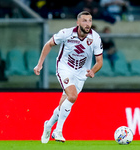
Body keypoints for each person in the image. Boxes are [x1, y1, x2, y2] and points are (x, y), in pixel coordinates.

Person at [34, 11, 103, 143]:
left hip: (81, 73)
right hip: (64, 68)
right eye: (84, 20)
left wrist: (93, 71)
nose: (88, 24)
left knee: (64, 103)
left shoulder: (95, 38)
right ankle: (58, 131)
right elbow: (48, 44)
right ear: (78, 22)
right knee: (72, 96)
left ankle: (48, 125)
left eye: (90, 21)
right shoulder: (66, 33)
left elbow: (99, 61)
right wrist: (39, 64)